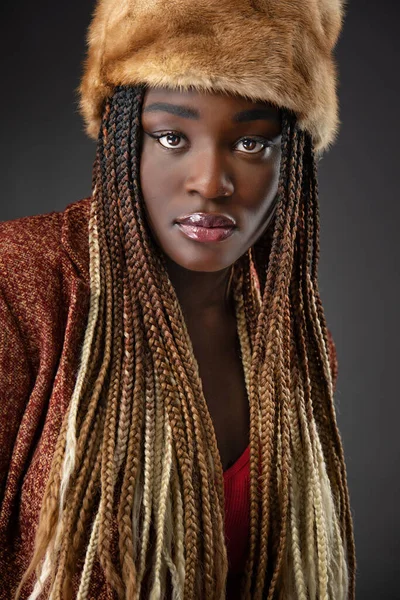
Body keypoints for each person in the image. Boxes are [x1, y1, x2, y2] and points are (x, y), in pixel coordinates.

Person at [0, 0, 356, 598]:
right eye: (170, 135)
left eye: (252, 145)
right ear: (119, 140)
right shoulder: (20, 283)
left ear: (292, 161)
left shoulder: (294, 343)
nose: (211, 181)